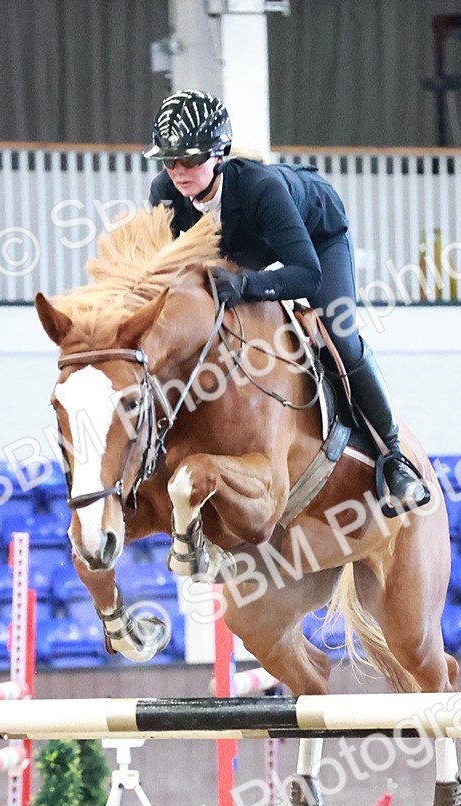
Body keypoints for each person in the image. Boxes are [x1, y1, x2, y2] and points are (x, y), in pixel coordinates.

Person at [144, 89, 429, 512]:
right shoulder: (165, 193)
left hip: (314, 240)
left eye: (189, 159)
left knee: (338, 333)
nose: (178, 172)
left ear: (218, 154)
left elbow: (308, 275)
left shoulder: (261, 189)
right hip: (245, 249)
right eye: (170, 161)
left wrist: (247, 288)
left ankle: (394, 460)